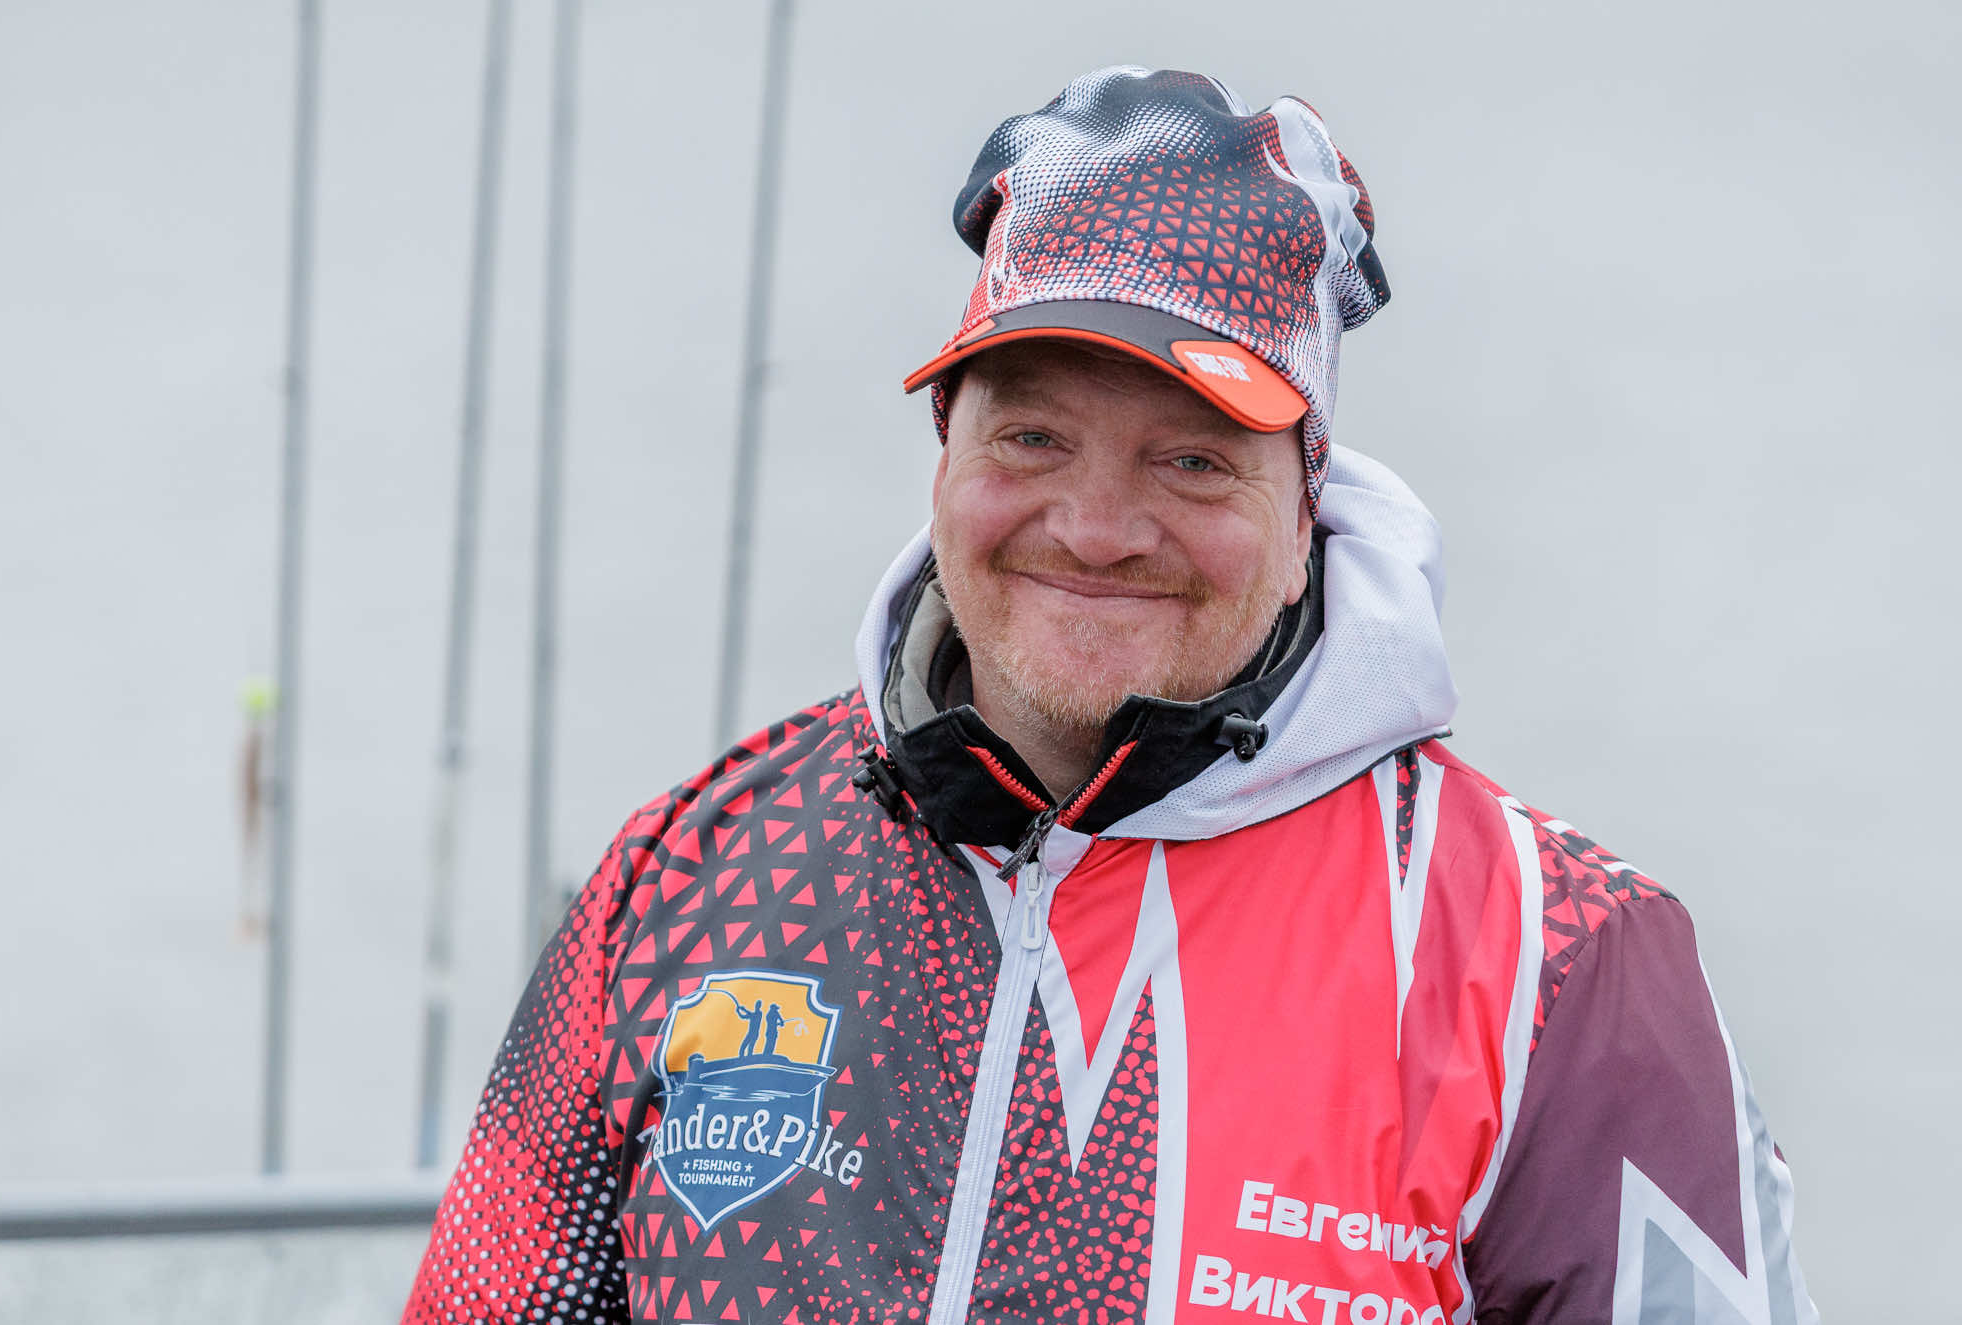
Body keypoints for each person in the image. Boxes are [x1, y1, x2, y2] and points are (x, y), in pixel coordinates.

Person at [405, 66, 1816, 1324]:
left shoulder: (1556, 961)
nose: (1093, 529)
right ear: (945, 452)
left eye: (1191, 460)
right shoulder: (689, 879)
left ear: (1307, 500)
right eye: (1032, 436)